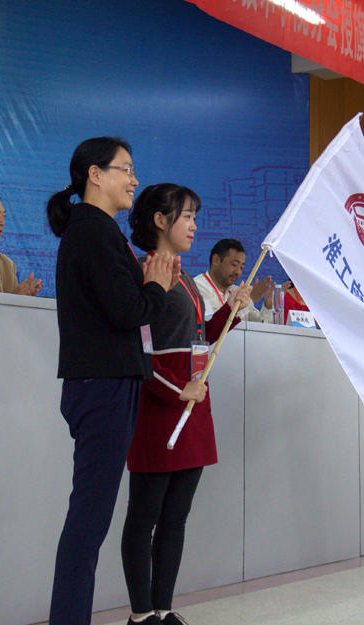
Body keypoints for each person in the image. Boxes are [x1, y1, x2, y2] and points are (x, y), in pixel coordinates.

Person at [46, 137, 180, 625]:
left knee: (91, 520)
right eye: (126, 169)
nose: (134, 180)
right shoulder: (94, 231)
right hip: (102, 384)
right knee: (89, 522)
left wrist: (150, 284)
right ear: (95, 175)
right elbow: (128, 311)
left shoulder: (97, 231)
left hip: (105, 382)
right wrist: (156, 287)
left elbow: (124, 305)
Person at [120, 184, 252, 625]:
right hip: (161, 412)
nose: (195, 225)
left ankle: (163, 608)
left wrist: (230, 311)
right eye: (187, 216)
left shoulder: (186, 279)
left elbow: (201, 337)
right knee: (144, 517)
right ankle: (141, 615)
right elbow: (139, 351)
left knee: (175, 519)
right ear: (160, 220)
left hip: (192, 410)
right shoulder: (144, 273)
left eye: (195, 216)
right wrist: (177, 390)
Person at [191, 238, 272, 323]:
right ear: (216, 260)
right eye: (234, 264)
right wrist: (250, 299)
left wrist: (268, 307)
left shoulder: (238, 291)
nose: (238, 272)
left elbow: (260, 327)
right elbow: (212, 326)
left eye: (241, 267)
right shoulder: (196, 288)